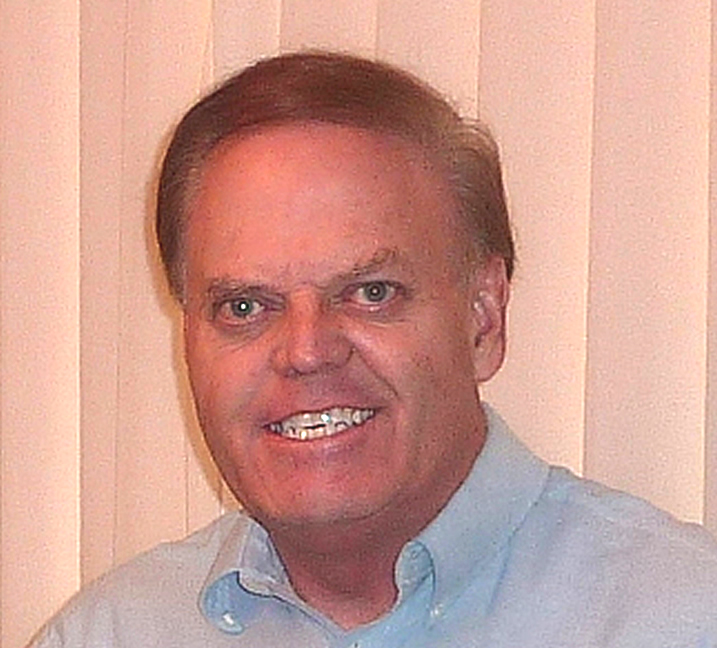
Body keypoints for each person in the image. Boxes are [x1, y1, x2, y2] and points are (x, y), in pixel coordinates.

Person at [30, 51, 717, 647]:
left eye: (370, 293)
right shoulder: (109, 634)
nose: (305, 351)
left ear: (483, 319)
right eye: (245, 307)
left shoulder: (683, 619)